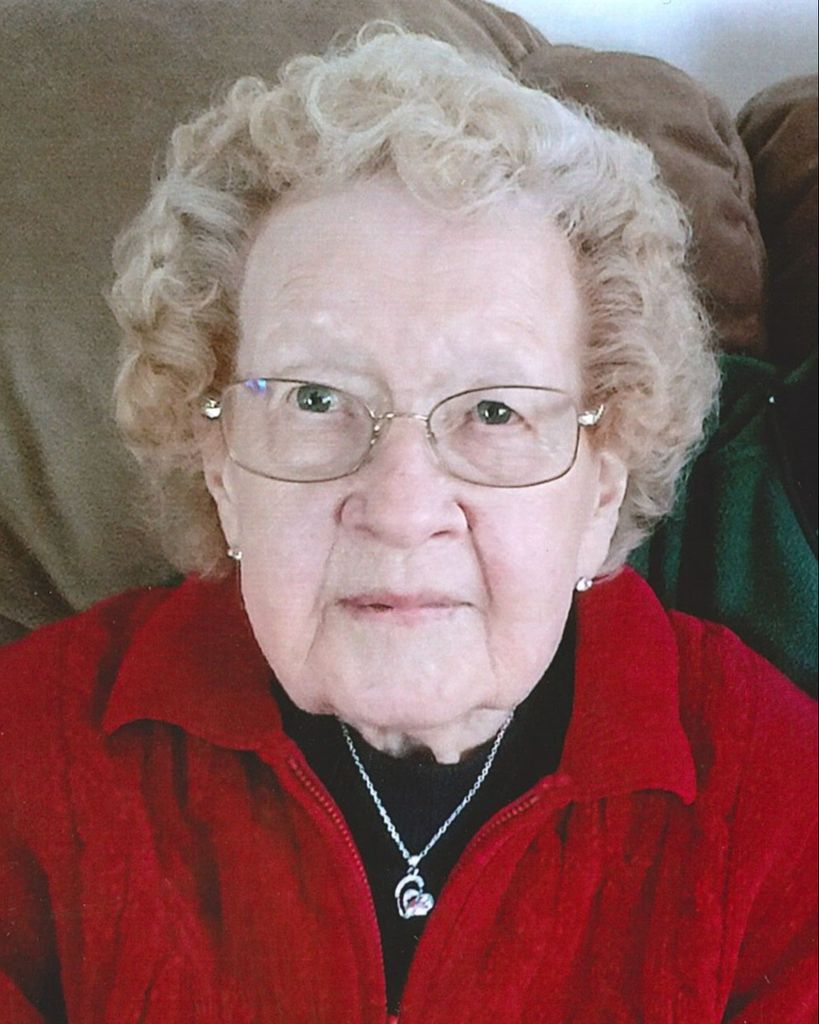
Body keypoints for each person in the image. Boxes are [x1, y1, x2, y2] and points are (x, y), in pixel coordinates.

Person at [0, 25, 815, 1024]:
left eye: (495, 411)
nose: (400, 508)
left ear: (602, 485)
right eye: (313, 399)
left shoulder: (772, 802)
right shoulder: (30, 757)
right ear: (219, 464)